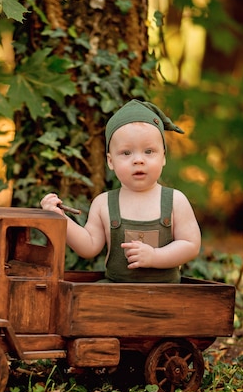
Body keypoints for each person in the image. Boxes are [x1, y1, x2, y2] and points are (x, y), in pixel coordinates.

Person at [40, 100, 201, 283]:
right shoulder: (103, 203)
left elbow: (190, 245)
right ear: (110, 161)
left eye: (149, 151)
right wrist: (60, 218)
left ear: (163, 157)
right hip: (115, 293)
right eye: (126, 153)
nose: (138, 160)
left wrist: (155, 256)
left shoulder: (175, 201)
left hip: (165, 296)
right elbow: (89, 246)